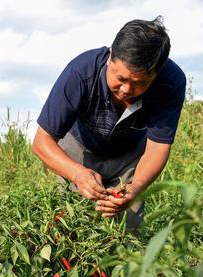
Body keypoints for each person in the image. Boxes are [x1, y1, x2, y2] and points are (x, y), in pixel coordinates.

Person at [32, 16, 186, 231]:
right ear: (111, 55)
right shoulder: (81, 72)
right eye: (120, 78)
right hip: (79, 149)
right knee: (72, 225)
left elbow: (158, 146)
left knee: (127, 229)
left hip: (130, 157)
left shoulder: (171, 81)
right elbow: (42, 141)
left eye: (139, 83)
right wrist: (76, 173)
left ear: (156, 74)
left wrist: (136, 188)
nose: (125, 90)